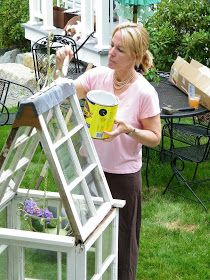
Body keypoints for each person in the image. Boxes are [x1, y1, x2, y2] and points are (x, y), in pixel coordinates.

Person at [56, 22, 161, 280]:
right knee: (84, 235)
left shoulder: (145, 92)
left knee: (123, 242)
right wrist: (62, 65)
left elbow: (155, 138)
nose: (111, 52)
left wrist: (129, 130)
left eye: (120, 49)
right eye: (112, 45)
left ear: (135, 57)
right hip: (89, 168)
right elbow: (65, 93)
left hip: (121, 177)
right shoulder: (98, 77)